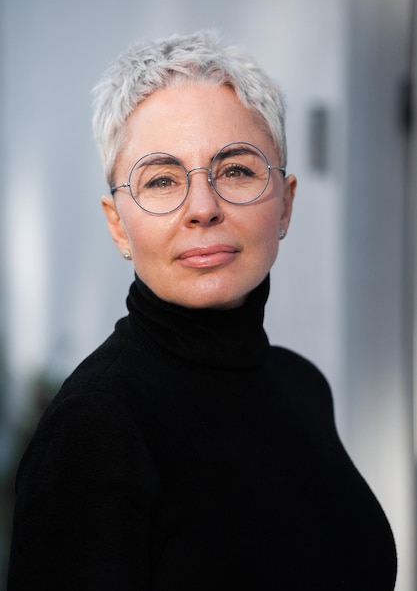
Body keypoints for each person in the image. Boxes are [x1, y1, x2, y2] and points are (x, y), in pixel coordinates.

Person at [7, 31, 397, 590]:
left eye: (236, 169)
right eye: (162, 180)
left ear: (285, 203)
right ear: (117, 222)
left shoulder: (302, 385)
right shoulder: (97, 429)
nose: (203, 208)